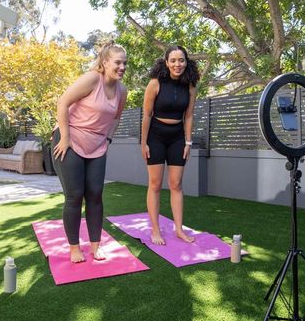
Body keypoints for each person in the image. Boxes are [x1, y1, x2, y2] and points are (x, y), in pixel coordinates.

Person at [52, 41, 127, 263]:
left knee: (95, 194)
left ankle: (96, 246)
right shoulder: (93, 78)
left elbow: (116, 118)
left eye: (125, 63)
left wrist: (108, 139)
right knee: (75, 195)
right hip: (70, 139)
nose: (122, 67)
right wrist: (64, 137)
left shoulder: (122, 90)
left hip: (97, 145)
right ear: (105, 63)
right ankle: (74, 247)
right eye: (117, 62)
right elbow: (62, 102)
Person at [141, 45, 200, 245]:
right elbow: (147, 115)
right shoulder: (155, 83)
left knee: (176, 184)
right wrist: (144, 143)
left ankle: (179, 229)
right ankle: (155, 230)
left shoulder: (190, 85)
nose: (177, 64)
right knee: (155, 184)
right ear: (166, 62)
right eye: (173, 60)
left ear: (186, 62)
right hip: (156, 136)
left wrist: (188, 142)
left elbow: (189, 115)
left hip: (177, 137)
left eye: (181, 60)